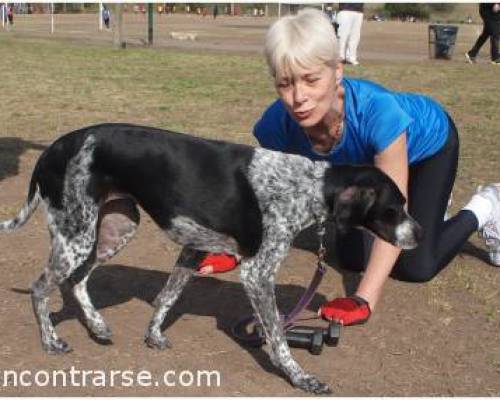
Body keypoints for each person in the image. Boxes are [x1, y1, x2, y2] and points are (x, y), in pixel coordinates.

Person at [197, 8, 500, 326]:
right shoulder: (276, 125)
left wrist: (363, 298)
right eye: (285, 84)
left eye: (311, 79)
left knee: (415, 266)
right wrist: (233, 246)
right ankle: (432, 211)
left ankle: (486, 206)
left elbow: (394, 213)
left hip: (429, 148)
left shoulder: (377, 113)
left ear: (337, 70)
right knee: (353, 258)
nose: (299, 97)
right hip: (364, 170)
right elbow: (263, 196)